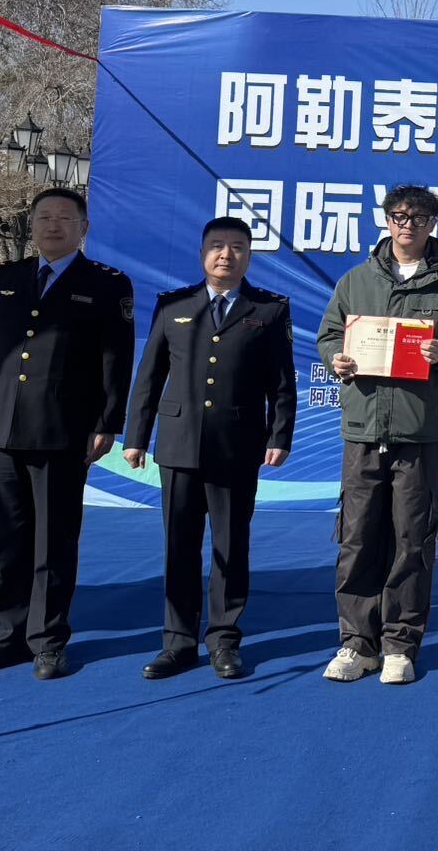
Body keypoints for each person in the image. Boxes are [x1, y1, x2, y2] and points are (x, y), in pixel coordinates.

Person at [0, 187, 134, 681]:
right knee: (8, 539)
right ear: (32, 225)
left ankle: (48, 641)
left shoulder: (106, 283)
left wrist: (107, 422)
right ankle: (7, 636)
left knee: (54, 541)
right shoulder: (8, 276)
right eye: (43, 217)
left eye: (64, 218)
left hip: (62, 430)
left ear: (84, 228)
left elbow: (115, 358)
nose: (52, 225)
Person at [316, 185, 438, 685]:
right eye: (398, 215)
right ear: (386, 220)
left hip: (419, 430)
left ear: (433, 223)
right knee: (357, 537)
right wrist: (336, 359)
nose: (407, 224)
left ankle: (400, 644)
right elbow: (329, 335)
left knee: (412, 540)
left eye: (418, 217)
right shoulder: (357, 279)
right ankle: (357, 643)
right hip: (364, 427)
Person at [123, 216, 296, 680]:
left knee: (230, 546)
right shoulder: (174, 305)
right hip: (178, 445)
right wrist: (136, 437)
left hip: (237, 446)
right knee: (179, 546)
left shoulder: (269, 310)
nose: (226, 254)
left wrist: (280, 435)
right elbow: (149, 377)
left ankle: (224, 640)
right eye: (217, 245)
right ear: (202, 253)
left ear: (249, 256)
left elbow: (282, 383)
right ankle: (177, 643)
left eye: (236, 246)